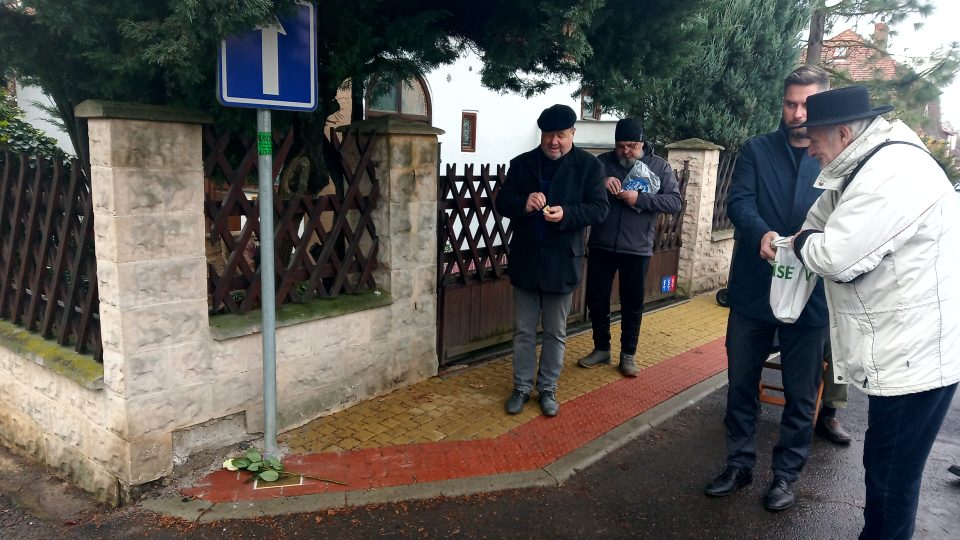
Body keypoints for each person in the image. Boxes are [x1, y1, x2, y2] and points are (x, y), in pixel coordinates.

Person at [793, 85, 960, 539]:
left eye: (815, 140)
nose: (810, 150)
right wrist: (808, 238)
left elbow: (833, 256)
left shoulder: (891, 174)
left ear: (844, 133)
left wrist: (802, 244)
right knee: (884, 469)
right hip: (902, 348)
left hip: (914, 357)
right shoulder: (861, 166)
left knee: (889, 478)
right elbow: (815, 221)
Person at [703, 65, 830, 512]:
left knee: (800, 394)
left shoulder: (835, 156)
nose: (797, 113)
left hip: (812, 296)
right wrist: (761, 234)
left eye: (806, 105)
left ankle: (786, 476)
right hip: (755, 289)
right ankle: (738, 465)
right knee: (740, 383)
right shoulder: (757, 149)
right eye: (790, 103)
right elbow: (739, 202)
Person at [494, 104, 609, 417]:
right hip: (527, 260)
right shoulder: (522, 164)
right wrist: (524, 202)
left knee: (556, 332)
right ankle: (520, 387)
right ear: (541, 135)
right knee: (523, 331)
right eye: (548, 135)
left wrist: (568, 213)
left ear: (573, 133)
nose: (554, 141)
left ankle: (547, 389)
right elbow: (502, 201)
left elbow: (600, 209)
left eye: (560, 134)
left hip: (563, 262)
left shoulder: (589, 167)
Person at [577, 118, 682, 376]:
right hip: (602, 243)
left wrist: (641, 199)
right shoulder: (601, 163)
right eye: (621, 146)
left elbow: (675, 202)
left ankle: (628, 355)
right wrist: (600, 184)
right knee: (596, 299)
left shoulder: (659, 167)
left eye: (632, 146)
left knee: (632, 303)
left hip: (637, 248)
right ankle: (601, 348)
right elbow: (580, 190)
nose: (626, 151)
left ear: (642, 143)